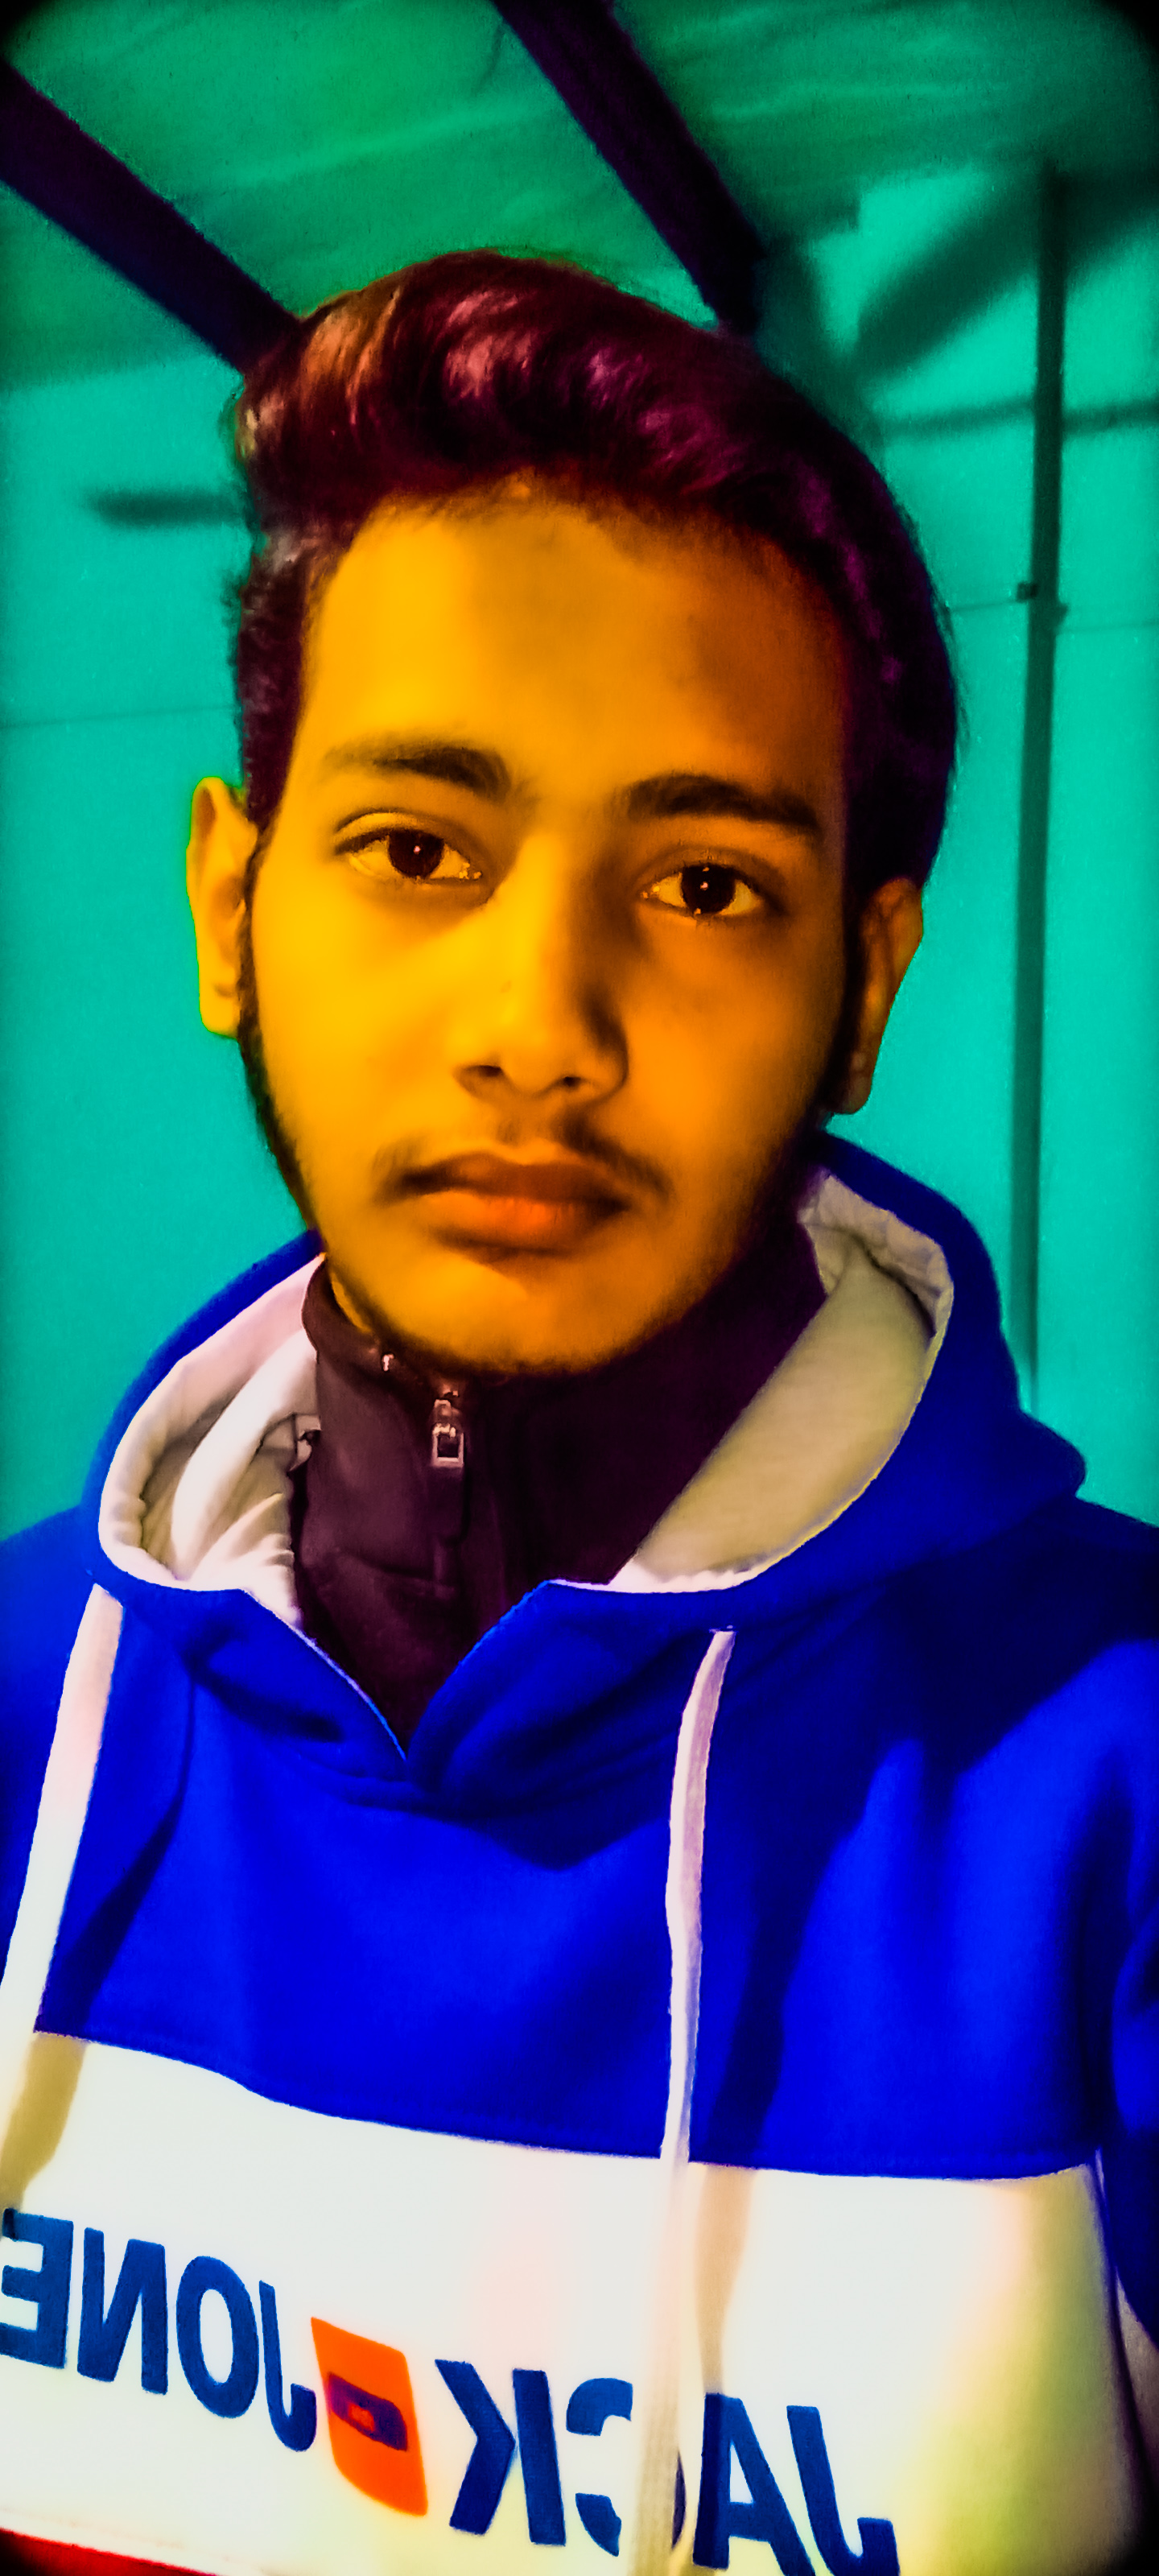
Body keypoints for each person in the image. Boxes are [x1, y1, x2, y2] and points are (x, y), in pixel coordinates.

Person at [0, 250, 1155, 2576]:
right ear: (233, 906)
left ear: (862, 988)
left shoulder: (1112, 1775)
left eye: (706, 883)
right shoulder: (26, 1698)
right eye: (419, 849)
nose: (543, 1024)